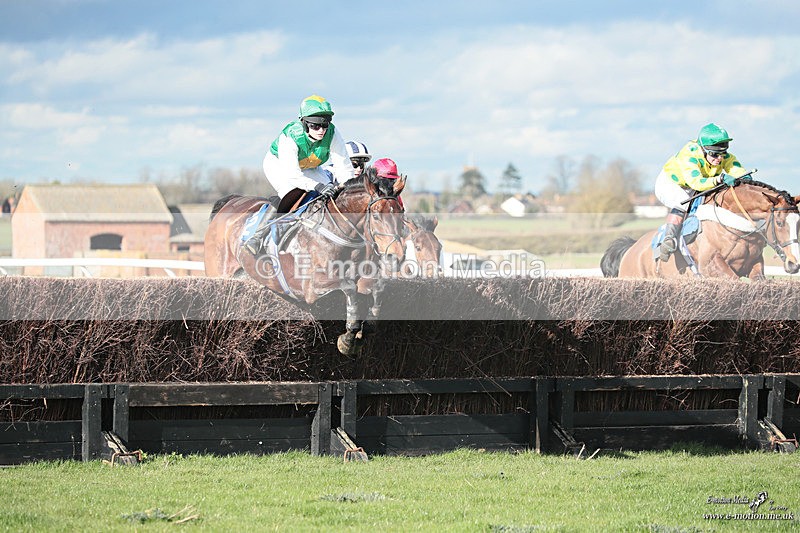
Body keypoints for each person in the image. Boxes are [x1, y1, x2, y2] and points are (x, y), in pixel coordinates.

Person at [244, 95, 355, 254]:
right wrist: (317, 186)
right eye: (315, 126)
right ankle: (258, 235)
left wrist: (348, 190)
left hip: (310, 166)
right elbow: (293, 175)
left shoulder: (332, 133)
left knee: (333, 195)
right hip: (279, 166)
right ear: (304, 123)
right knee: (291, 194)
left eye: (325, 125)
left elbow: (344, 166)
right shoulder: (290, 136)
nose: (321, 130)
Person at [654, 123, 749, 260]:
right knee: (682, 202)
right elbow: (696, 182)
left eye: (723, 153)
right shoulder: (689, 155)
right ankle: (669, 239)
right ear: (703, 149)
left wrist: (745, 179)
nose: (719, 158)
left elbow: (736, 170)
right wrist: (719, 179)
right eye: (714, 154)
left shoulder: (721, 155)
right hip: (671, 184)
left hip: (694, 185)